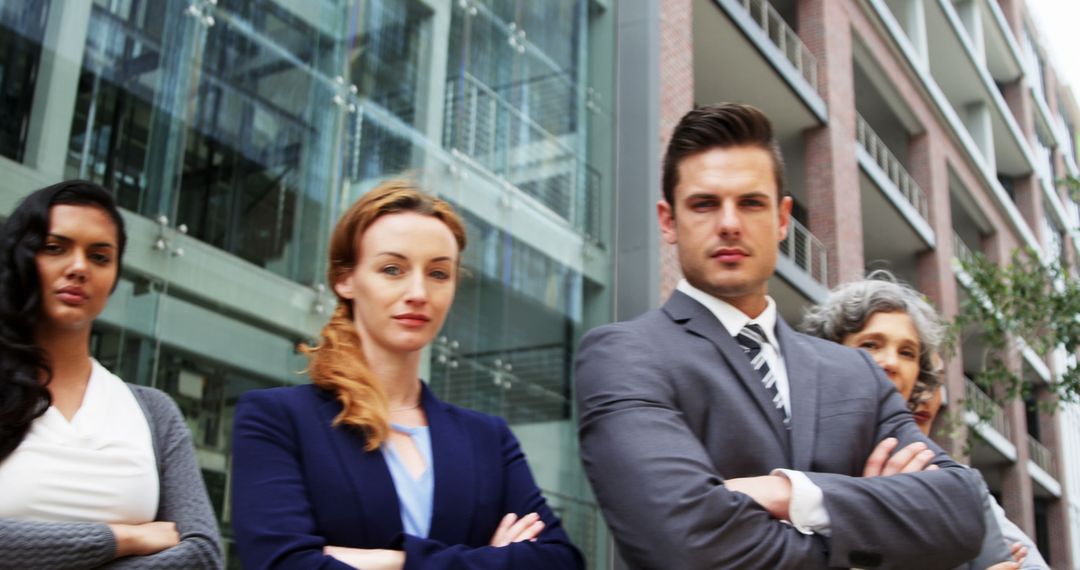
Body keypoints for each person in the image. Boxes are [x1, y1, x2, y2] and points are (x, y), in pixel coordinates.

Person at [574, 103, 987, 569]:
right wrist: (873, 529)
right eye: (705, 204)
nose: (729, 223)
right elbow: (686, 546)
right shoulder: (623, 356)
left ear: (783, 218)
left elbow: (962, 511)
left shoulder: (855, 372)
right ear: (668, 221)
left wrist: (789, 492)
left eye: (751, 202)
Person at [230, 179, 584, 570]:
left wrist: (395, 561)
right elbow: (283, 566)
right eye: (393, 269)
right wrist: (491, 561)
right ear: (345, 279)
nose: (419, 292)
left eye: (438, 274)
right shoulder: (276, 419)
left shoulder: (488, 440)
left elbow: (558, 561)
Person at [0, 180, 223, 568]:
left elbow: (202, 556)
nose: (79, 268)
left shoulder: (155, 413)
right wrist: (121, 538)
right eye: (56, 248)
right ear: (23, 258)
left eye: (100, 257)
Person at [801, 272, 1049, 570]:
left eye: (907, 353)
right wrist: (872, 511)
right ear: (829, 354)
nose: (891, 362)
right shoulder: (794, 460)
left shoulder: (952, 483)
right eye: (870, 345)